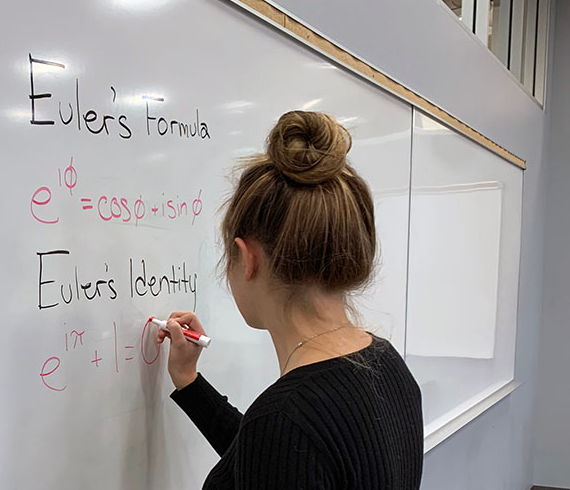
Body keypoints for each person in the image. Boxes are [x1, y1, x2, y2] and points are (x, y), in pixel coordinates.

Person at [157, 110, 423, 489]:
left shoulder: (285, 420)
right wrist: (189, 382)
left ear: (247, 258)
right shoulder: (389, 367)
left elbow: (283, 448)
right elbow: (274, 460)